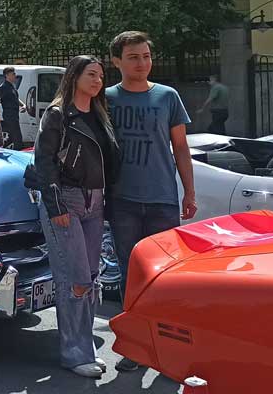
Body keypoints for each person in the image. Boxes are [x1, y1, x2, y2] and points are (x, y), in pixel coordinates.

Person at [105, 31, 195, 372]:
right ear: (117, 62)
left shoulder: (168, 96)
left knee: (168, 277)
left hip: (162, 199)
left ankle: (172, 350)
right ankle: (136, 348)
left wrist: (189, 191)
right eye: (133, 57)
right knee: (132, 275)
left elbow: (181, 148)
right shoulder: (107, 98)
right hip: (123, 199)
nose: (142, 63)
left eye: (146, 56)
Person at [30, 55, 120, 379]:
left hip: (95, 202)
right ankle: (74, 352)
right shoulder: (57, 114)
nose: (97, 80)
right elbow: (44, 161)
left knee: (91, 277)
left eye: (100, 75)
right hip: (65, 200)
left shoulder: (99, 114)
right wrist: (56, 207)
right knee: (76, 279)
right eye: (91, 74)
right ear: (75, 77)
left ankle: (85, 348)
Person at [0, 66, 27, 149]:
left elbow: (15, 98)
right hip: (9, 115)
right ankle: (19, 156)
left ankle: (0, 149)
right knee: (18, 139)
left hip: (14, 115)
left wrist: (23, 105)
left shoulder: (12, 86)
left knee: (11, 138)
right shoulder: (3, 87)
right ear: (7, 75)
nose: (15, 75)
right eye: (13, 73)